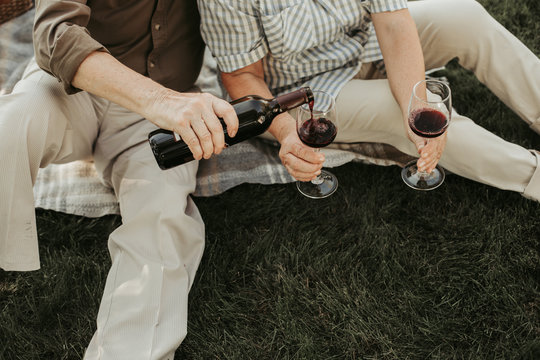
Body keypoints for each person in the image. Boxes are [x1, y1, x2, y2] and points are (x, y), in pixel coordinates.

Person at [0, 0, 239, 359]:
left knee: (161, 222)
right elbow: (55, 34)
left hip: (161, 115)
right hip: (71, 88)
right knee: (12, 125)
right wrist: (160, 101)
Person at [197, 0, 540, 201]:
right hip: (303, 94)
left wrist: (414, 102)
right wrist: (288, 133)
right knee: (404, 113)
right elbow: (243, 77)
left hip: (369, 44)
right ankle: (532, 175)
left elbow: (392, 25)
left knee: (466, 17)